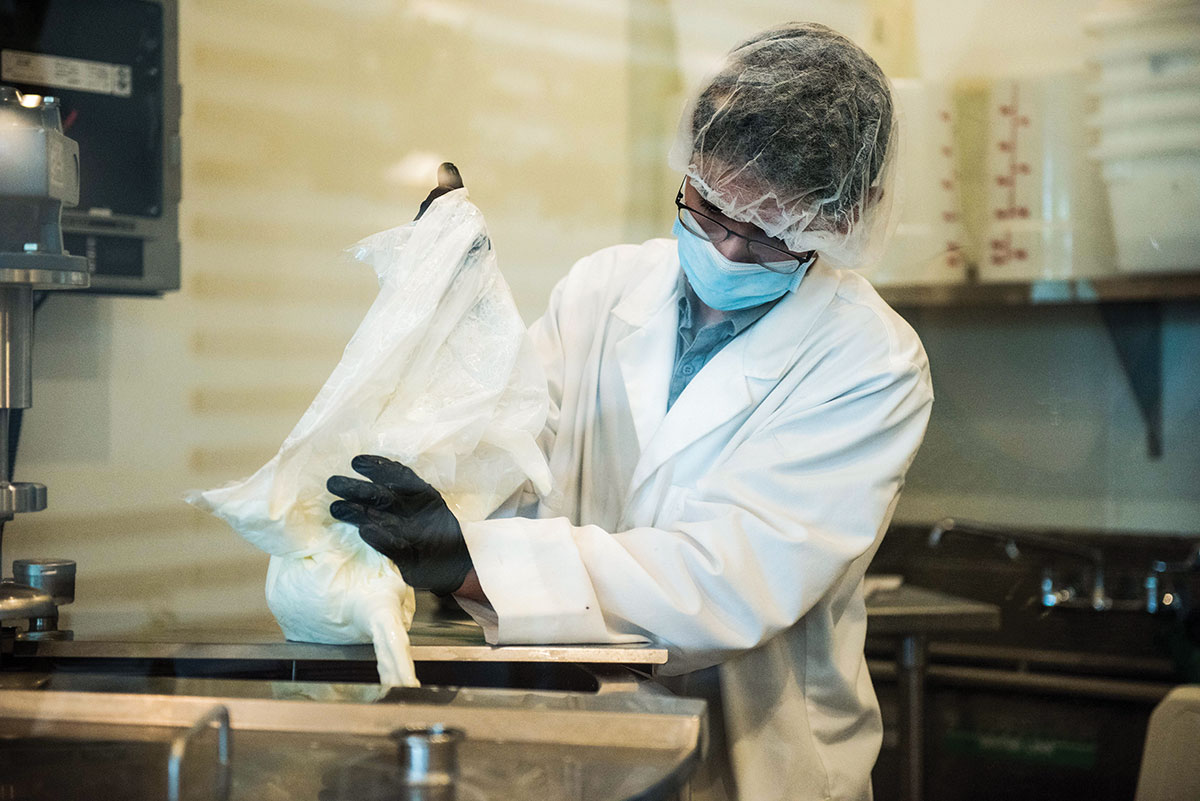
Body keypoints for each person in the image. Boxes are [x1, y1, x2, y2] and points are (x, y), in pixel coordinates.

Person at [327, 22, 933, 801]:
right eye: (709, 211)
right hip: (574, 750)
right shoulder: (605, 290)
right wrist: (446, 316)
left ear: (847, 220)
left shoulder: (870, 363)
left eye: (771, 235)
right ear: (689, 164)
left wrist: (482, 564)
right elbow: (504, 455)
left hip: (757, 767)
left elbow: (728, 578)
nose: (727, 252)